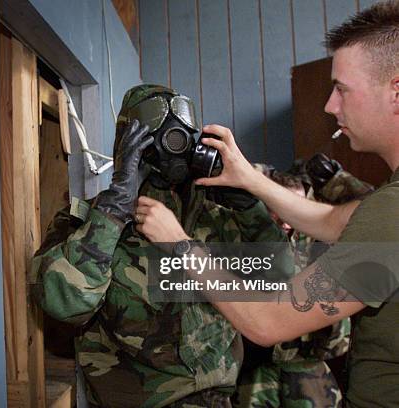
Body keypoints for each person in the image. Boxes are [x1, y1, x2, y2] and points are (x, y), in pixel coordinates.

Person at [133, 2, 399, 406]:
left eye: (342, 88)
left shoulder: (393, 212)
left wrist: (179, 245)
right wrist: (251, 180)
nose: (330, 105)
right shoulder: (387, 203)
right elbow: (332, 222)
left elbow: (268, 320)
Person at [33, 84, 293, 407]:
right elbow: (64, 303)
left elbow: (284, 281)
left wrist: (248, 206)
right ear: (130, 147)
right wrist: (113, 210)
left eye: (184, 136)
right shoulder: (86, 222)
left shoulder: (221, 219)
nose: (176, 146)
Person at [236, 160, 372, 408]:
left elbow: (374, 209)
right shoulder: (248, 235)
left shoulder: (322, 235)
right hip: (258, 364)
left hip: (309, 361)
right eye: (277, 210)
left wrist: (339, 180)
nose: (286, 221)